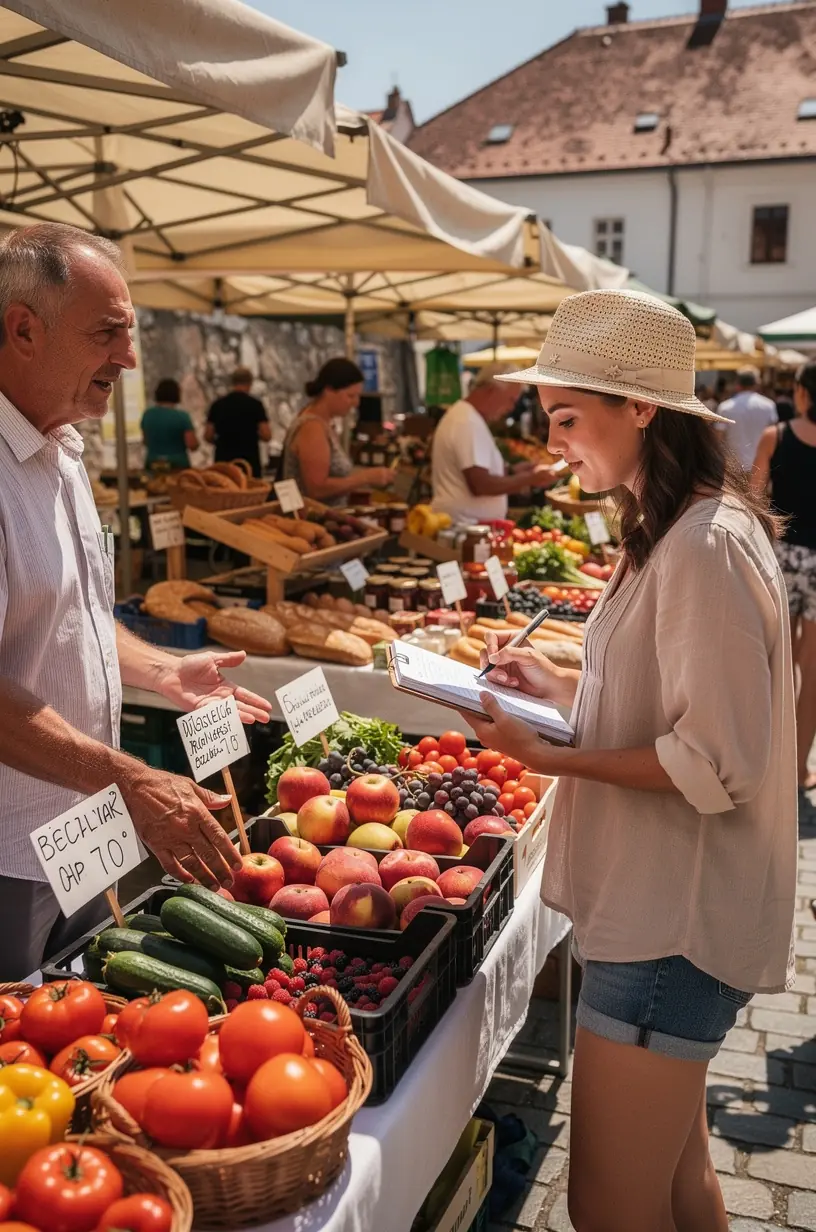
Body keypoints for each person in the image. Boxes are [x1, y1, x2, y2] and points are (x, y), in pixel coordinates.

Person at [467, 289, 796, 1232]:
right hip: (658, 918)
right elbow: (663, 710)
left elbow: (716, 760)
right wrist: (560, 688)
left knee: (608, 1209)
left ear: (640, 409)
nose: (556, 442)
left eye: (569, 419)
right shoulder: (673, 528)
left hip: (670, 930)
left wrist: (551, 756)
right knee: (680, 1183)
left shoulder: (701, 544)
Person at [0, 223, 273, 980]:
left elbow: (69, 614)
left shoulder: (59, 449)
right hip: (10, 847)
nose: (128, 357)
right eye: (107, 334)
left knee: (76, 1027)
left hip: (82, 823)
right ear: (22, 329)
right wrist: (134, 779)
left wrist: (161, 671)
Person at [753, 360, 816, 811]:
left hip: (780, 556)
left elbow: (755, 500)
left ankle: (769, 760)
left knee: (773, 661)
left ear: (801, 392)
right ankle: (799, 769)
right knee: (811, 671)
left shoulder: (775, 436)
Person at [430, 364, 558, 524]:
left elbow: (478, 473)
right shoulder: (467, 422)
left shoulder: (466, 417)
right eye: (510, 400)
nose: (511, 408)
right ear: (492, 390)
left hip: (466, 526)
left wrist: (512, 471)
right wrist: (530, 479)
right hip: (465, 527)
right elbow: (481, 485)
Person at [281, 358, 393, 503]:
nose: (356, 402)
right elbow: (316, 488)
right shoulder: (312, 427)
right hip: (312, 520)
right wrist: (365, 478)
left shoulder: (322, 423)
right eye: (350, 396)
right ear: (328, 391)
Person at [205, 368, 270, 478]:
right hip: (249, 460)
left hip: (223, 460)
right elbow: (266, 435)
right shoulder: (255, 405)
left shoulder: (217, 405)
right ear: (250, 383)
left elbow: (208, 435)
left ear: (233, 382)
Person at [718, 367, 777, 468]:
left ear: (738, 385)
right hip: (761, 466)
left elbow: (718, 438)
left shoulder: (725, 407)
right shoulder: (768, 405)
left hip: (733, 467)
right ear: (756, 384)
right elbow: (774, 436)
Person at [141, 378, 198, 470]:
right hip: (177, 464)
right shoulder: (182, 416)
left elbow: (145, 441)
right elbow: (192, 444)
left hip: (153, 462)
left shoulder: (148, 415)